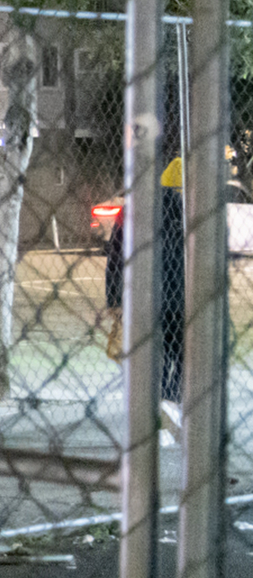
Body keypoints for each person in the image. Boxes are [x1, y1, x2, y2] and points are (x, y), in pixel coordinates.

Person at [103, 155, 186, 414]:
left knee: (155, 345)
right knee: (179, 344)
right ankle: (173, 389)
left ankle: (160, 390)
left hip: (145, 290)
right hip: (177, 288)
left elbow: (115, 258)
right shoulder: (178, 206)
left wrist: (114, 299)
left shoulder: (132, 209)